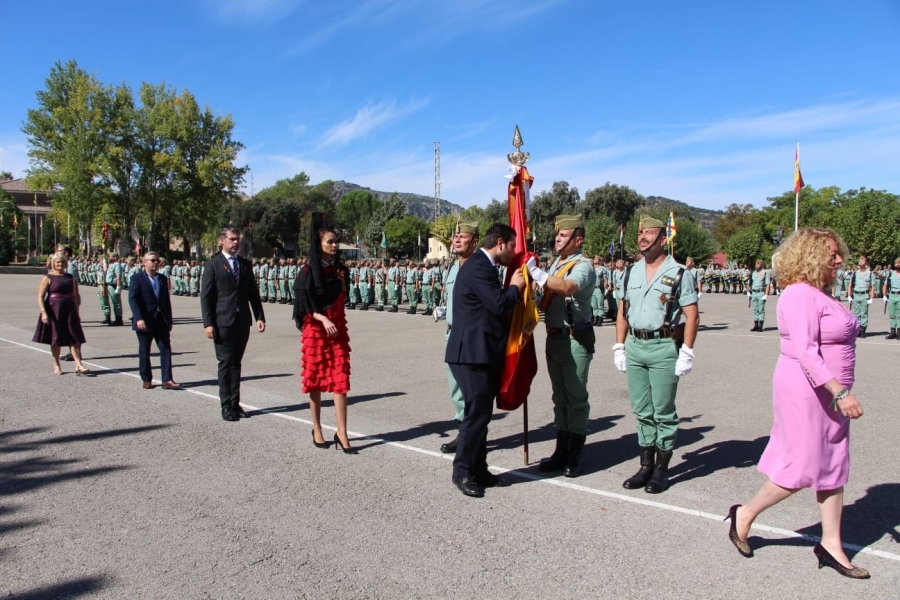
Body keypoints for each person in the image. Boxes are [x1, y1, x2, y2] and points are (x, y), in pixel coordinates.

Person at [725, 228, 869, 579]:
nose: (840, 259)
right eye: (832, 254)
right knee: (802, 465)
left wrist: (839, 390)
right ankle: (744, 514)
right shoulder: (799, 293)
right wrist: (840, 392)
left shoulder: (821, 293)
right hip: (808, 389)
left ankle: (831, 543)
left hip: (830, 390)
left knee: (833, 462)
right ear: (811, 257)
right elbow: (806, 351)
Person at [613, 215, 699, 494]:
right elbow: (622, 312)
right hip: (635, 345)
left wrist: (687, 351)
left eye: (649, 233)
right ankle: (646, 466)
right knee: (642, 410)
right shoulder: (630, 272)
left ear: (663, 239)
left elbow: (692, 315)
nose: (643, 237)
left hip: (663, 346)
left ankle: (662, 470)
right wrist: (619, 346)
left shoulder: (679, 273)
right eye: (641, 233)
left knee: (663, 411)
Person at [445, 223, 525, 497]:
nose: (513, 251)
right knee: (476, 414)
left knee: (481, 414)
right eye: (512, 245)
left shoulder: (481, 265)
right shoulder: (480, 266)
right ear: (500, 243)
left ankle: (478, 469)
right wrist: (515, 288)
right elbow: (499, 305)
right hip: (471, 354)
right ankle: (462, 471)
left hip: (478, 352)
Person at [528, 215, 596, 477]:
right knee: (559, 397)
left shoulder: (582, 265)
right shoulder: (557, 263)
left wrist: (538, 274)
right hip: (554, 337)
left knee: (576, 398)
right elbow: (546, 295)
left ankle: (575, 454)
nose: (557, 238)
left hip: (573, 338)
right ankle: (561, 449)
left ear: (578, 240)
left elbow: (567, 287)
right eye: (557, 234)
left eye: (564, 235)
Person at [293, 217, 355, 453]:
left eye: (335, 241)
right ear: (319, 244)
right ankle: (317, 427)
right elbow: (303, 306)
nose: (334, 245)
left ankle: (342, 432)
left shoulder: (340, 270)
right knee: (315, 379)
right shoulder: (308, 271)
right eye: (330, 242)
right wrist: (323, 318)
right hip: (316, 330)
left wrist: (333, 319)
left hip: (337, 330)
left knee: (341, 379)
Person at [200, 227, 267, 422]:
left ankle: (235, 403)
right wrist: (208, 323)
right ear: (222, 241)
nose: (236, 242)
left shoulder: (244, 264)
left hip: (242, 321)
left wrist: (259, 316)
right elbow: (206, 297)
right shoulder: (213, 264)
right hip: (222, 321)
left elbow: (252, 293)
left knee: (236, 363)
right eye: (232, 239)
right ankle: (226, 405)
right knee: (225, 363)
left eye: (238, 239)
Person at [439, 221, 479, 455]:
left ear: (474, 241)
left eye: (462, 236)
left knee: (470, 388)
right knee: (456, 388)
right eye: (455, 236)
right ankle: (463, 431)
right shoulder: (453, 267)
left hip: (470, 336)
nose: (456, 239)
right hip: (451, 333)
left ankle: (471, 435)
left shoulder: (479, 266)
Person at [129, 252, 181, 390]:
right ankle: (146, 379)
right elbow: (133, 299)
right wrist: (138, 318)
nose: (156, 263)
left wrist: (169, 320)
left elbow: (166, 301)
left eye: (157, 260)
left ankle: (167, 379)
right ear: (144, 262)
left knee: (165, 349)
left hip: (161, 320)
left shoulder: (162, 278)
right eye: (152, 260)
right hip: (145, 320)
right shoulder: (137, 278)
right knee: (145, 350)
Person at [33, 253, 90, 376]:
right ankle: (56, 364)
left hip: (69, 310)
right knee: (56, 337)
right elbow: (40, 296)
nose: (60, 264)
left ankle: (78, 364)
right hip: (54, 310)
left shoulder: (70, 277)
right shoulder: (48, 277)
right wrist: (44, 313)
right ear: (53, 263)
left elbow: (74, 296)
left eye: (62, 262)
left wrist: (77, 312)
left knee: (74, 337)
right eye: (58, 262)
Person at [848, 255, 874, 337]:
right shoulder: (855, 273)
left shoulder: (870, 273)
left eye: (863, 260)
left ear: (866, 263)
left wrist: (871, 298)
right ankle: (857, 329)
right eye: (860, 260)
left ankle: (863, 330)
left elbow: (873, 286)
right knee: (856, 314)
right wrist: (849, 295)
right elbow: (850, 284)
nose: (861, 262)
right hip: (856, 294)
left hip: (864, 295)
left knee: (864, 313)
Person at [748, 259, 773, 331]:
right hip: (754, 292)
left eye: (758, 264)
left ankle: (760, 326)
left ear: (761, 265)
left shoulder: (765, 273)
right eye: (756, 264)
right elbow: (749, 283)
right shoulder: (753, 273)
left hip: (761, 292)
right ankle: (756, 325)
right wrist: (748, 292)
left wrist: (766, 294)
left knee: (761, 310)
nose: (757, 265)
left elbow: (767, 284)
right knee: (755, 309)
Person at [883, 259, 900, 339]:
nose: (898, 264)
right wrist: (884, 295)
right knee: (892, 315)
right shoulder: (890, 274)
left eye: (899, 263)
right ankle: (893, 332)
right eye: (896, 263)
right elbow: (885, 285)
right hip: (892, 295)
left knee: (899, 315)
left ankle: (899, 332)